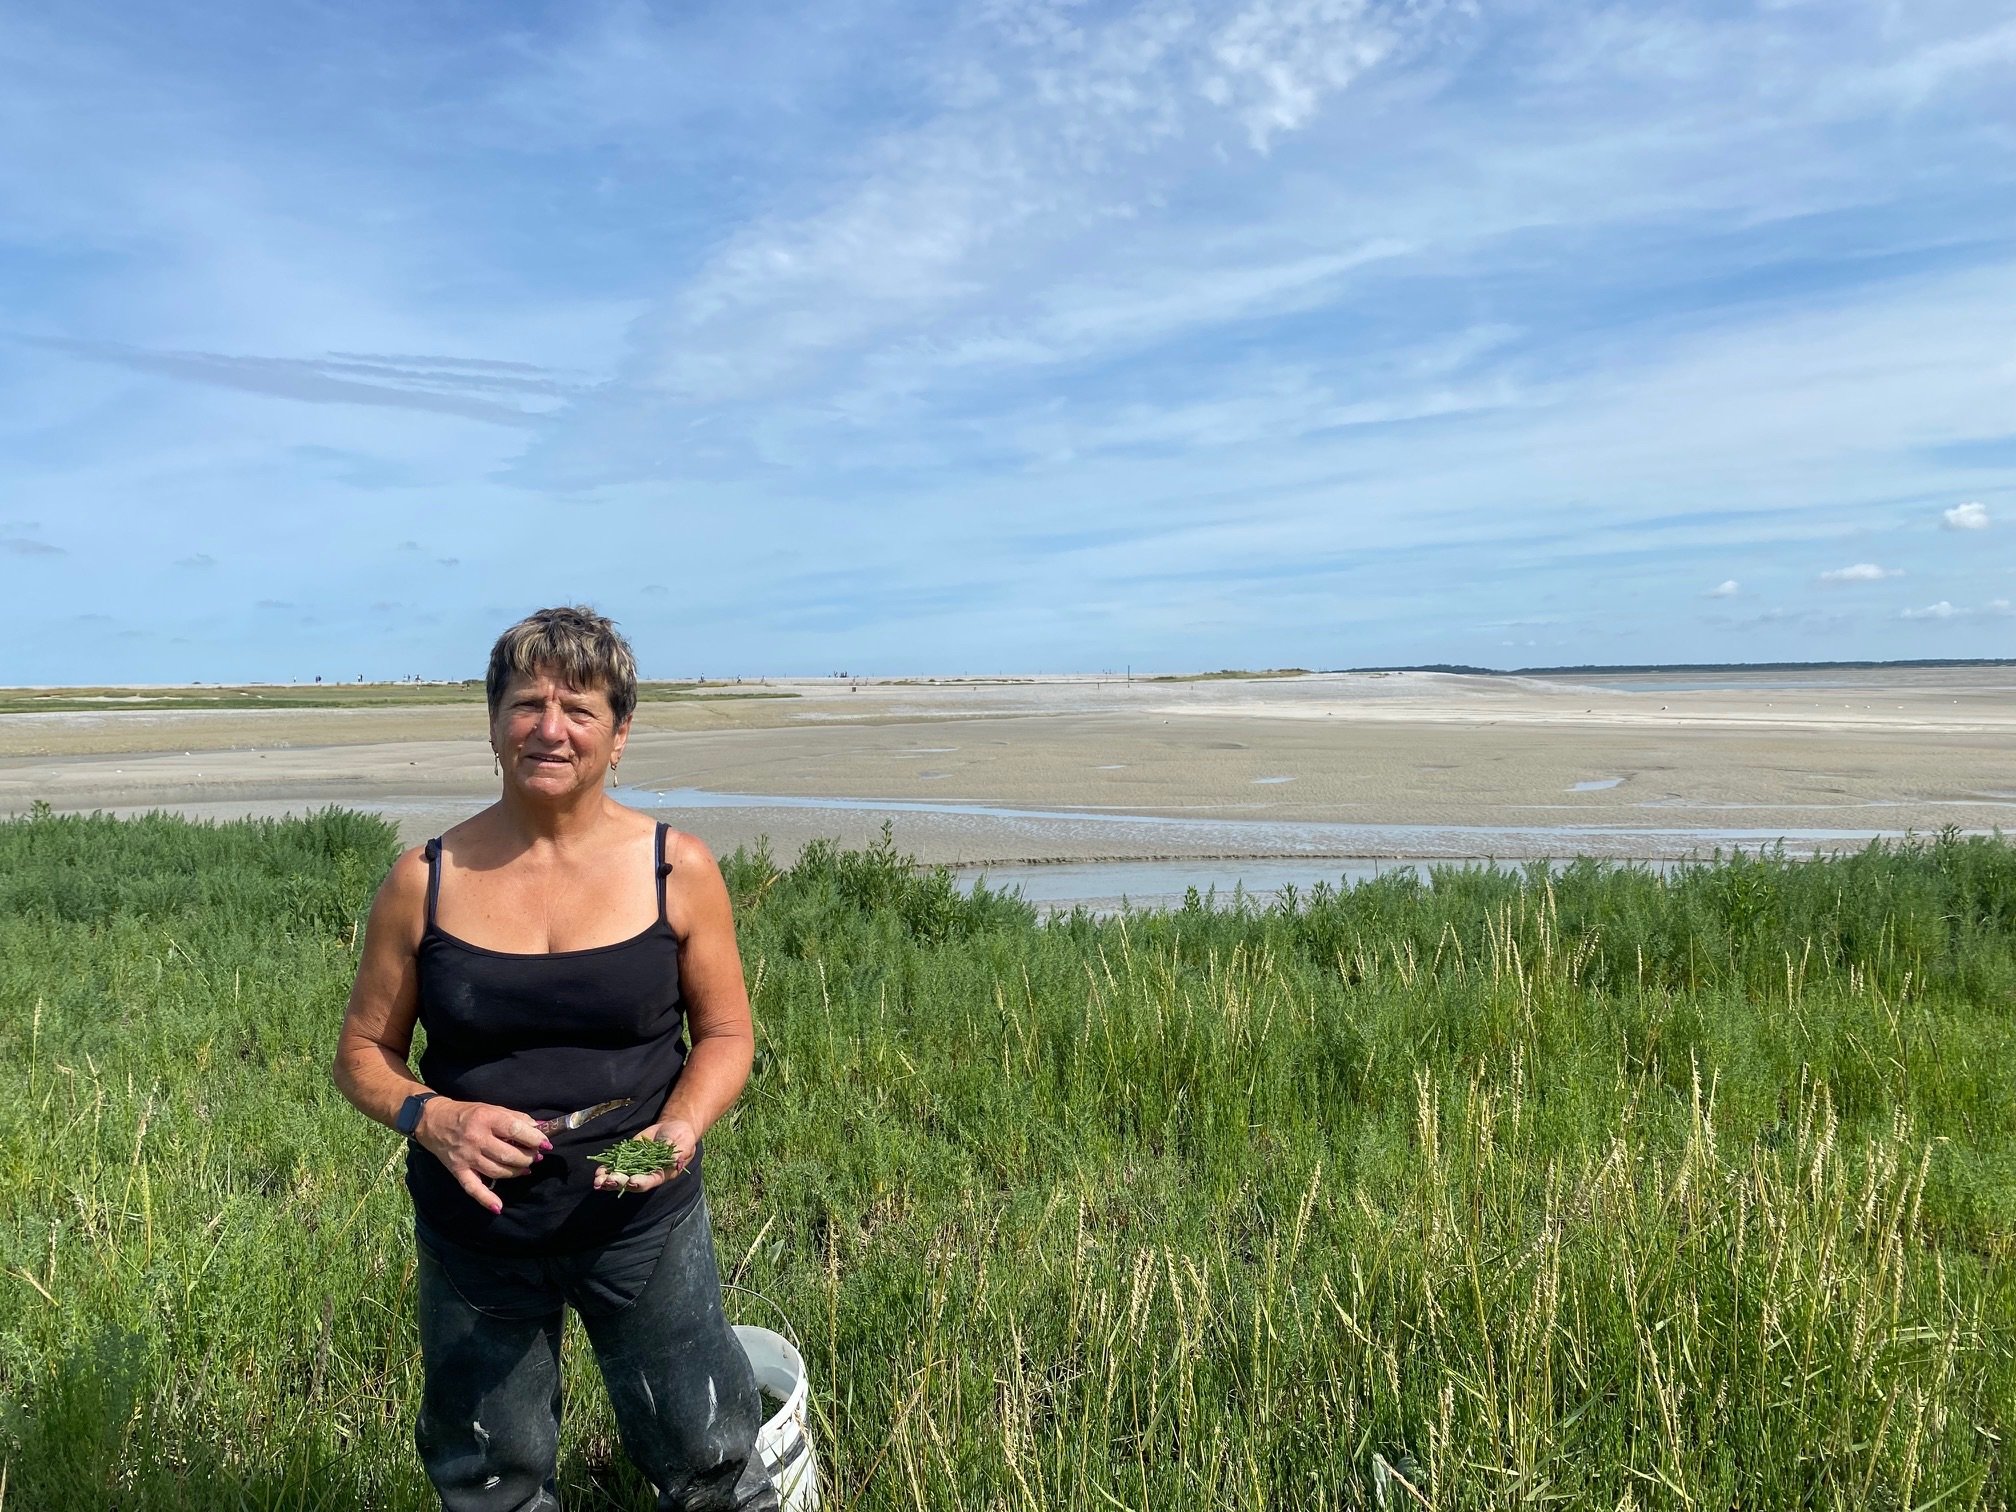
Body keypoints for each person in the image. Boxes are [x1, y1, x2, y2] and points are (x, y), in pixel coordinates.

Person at [333, 606, 779, 1512]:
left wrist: (680, 1127)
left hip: (641, 1224)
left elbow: (728, 1035)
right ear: (492, 726)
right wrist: (436, 1118)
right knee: (489, 1478)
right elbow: (362, 1053)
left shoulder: (675, 866)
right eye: (527, 703)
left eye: (580, 706)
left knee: (710, 1463)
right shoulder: (425, 878)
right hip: (478, 1233)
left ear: (620, 736)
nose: (550, 726)